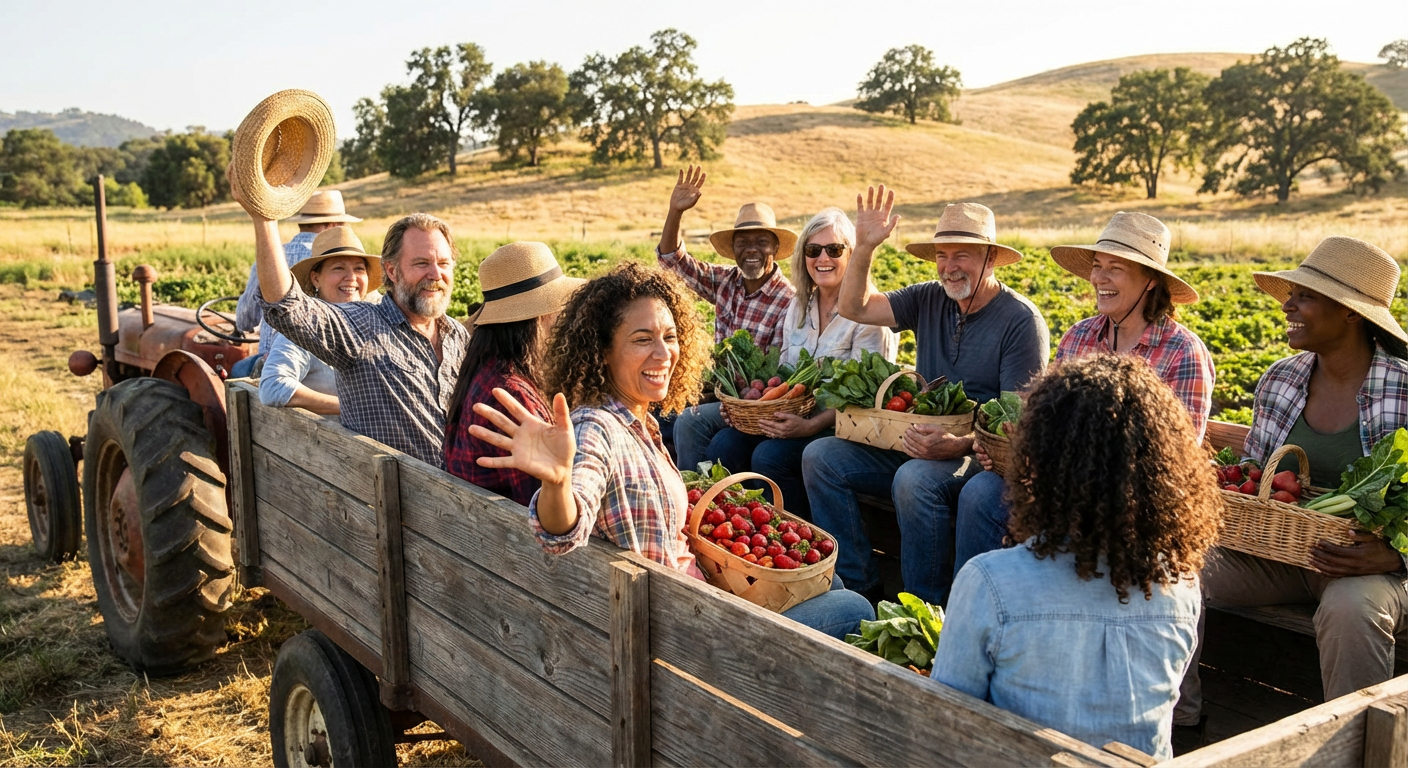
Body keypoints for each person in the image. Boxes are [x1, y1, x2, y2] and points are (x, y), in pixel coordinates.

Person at [467, 263, 874, 639]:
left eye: (670, 336)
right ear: (602, 350)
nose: (663, 354)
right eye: (642, 340)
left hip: (683, 606)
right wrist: (557, 482)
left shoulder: (638, 422)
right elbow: (562, 532)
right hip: (686, 635)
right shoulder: (598, 430)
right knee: (855, 606)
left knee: (829, 581)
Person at [1176, 236, 1408, 727]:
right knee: (1170, 564)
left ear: (1350, 312)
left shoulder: (1404, 389)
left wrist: (1395, 555)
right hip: (1280, 555)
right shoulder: (1281, 378)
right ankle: (1179, 719)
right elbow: (1258, 476)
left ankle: (1353, 750)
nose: (1288, 305)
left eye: (1305, 296)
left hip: (1374, 570)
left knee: (1352, 613)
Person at [802, 188, 1049, 605]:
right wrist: (863, 247)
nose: (949, 267)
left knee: (915, 479)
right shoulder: (929, 297)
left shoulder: (1020, 321)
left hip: (978, 455)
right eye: (941, 256)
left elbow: (1014, 425)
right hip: (918, 439)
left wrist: (961, 443)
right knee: (822, 457)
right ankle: (860, 586)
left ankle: (925, 611)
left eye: (961, 255)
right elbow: (855, 307)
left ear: (990, 258)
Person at [954, 211, 1216, 577]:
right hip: (1058, 486)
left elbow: (1172, 463)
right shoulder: (1079, 336)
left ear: (1151, 282)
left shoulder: (1182, 352)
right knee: (982, 492)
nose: (1099, 278)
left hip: (1127, 504)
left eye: (1116, 269)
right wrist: (1019, 449)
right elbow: (1044, 419)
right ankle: (960, 616)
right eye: (1097, 266)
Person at [229, 165, 469, 468]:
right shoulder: (361, 325)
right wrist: (264, 220)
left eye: (444, 263)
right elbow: (286, 307)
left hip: (461, 493)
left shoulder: (457, 335)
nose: (436, 274)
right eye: (421, 263)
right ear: (392, 271)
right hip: (407, 502)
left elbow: (244, 320)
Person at [703, 207, 897, 519]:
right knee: (724, 445)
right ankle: (737, 531)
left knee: (770, 456)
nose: (823, 259)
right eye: (813, 250)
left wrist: (809, 425)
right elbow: (783, 371)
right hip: (793, 415)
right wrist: (746, 407)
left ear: (851, 255)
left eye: (834, 250)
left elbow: (866, 398)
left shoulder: (870, 314)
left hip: (836, 427)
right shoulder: (799, 306)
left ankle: (794, 537)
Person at [657, 166, 798, 471]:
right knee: (657, 409)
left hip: (749, 403)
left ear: (774, 247)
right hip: (718, 390)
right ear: (732, 249)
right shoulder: (725, 281)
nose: (752, 250)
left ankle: (693, 496)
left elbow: (773, 375)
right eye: (742, 242)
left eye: (761, 242)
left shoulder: (787, 301)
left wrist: (726, 395)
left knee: (688, 423)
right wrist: (675, 212)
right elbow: (671, 262)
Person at [443, 242, 584, 506]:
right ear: (540, 318)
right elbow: (549, 506)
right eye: (561, 310)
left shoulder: (488, 371)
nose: (567, 320)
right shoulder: (512, 395)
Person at [233, 189, 363, 377]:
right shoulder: (347, 264)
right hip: (329, 362)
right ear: (334, 225)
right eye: (343, 226)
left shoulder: (268, 259)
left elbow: (245, 320)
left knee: (236, 370)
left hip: (271, 361)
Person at [257, 227, 381, 417]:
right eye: (338, 268)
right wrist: (351, 407)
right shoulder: (303, 327)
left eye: (359, 268)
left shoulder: (374, 322)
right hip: (334, 441)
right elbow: (273, 386)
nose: (351, 277)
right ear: (316, 278)